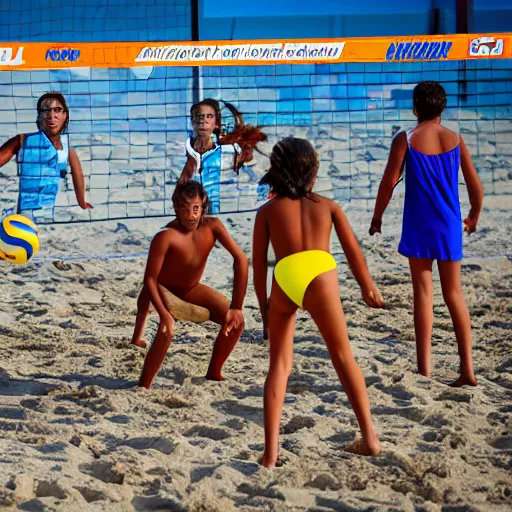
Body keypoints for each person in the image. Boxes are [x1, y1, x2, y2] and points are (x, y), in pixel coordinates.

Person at [252, 136, 383, 468]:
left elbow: (257, 267)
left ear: (276, 171)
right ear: (312, 174)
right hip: (320, 273)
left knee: (279, 367)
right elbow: (353, 250)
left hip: (286, 277)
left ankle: (270, 454)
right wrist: (367, 286)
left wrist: (264, 309)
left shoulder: (266, 210)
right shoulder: (328, 206)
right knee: (343, 357)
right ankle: (369, 438)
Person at [369, 81, 483, 387]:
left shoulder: (405, 138)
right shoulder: (455, 140)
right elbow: (476, 187)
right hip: (448, 225)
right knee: (454, 295)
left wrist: (377, 218)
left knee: (423, 293)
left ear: (415, 108)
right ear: (442, 109)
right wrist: (473, 216)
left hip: (419, 224)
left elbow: (388, 183)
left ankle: (424, 370)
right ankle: (468, 371)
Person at [132, 180, 248, 389]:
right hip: (163, 287)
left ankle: (214, 372)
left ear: (203, 205)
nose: (192, 215)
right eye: (185, 209)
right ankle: (144, 384)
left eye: (196, 208)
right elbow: (149, 279)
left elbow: (240, 259)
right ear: (176, 208)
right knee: (166, 327)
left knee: (236, 323)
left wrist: (237, 307)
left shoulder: (213, 226)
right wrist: (165, 314)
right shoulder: (166, 236)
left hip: (190, 288)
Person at [0, 92, 92, 221]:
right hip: (26, 217)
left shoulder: (68, 151)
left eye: (57, 110)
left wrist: (82, 202)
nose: (51, 115)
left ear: (64, 115)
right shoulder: (22, 141)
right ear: (39, 117)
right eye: (46, 110)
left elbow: (78, 176)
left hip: (54, 217)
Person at [178, 98, 267, 214]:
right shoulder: (191, 151)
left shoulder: (231, 151)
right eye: (199, 117)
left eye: (209, 117)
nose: (203, 121)